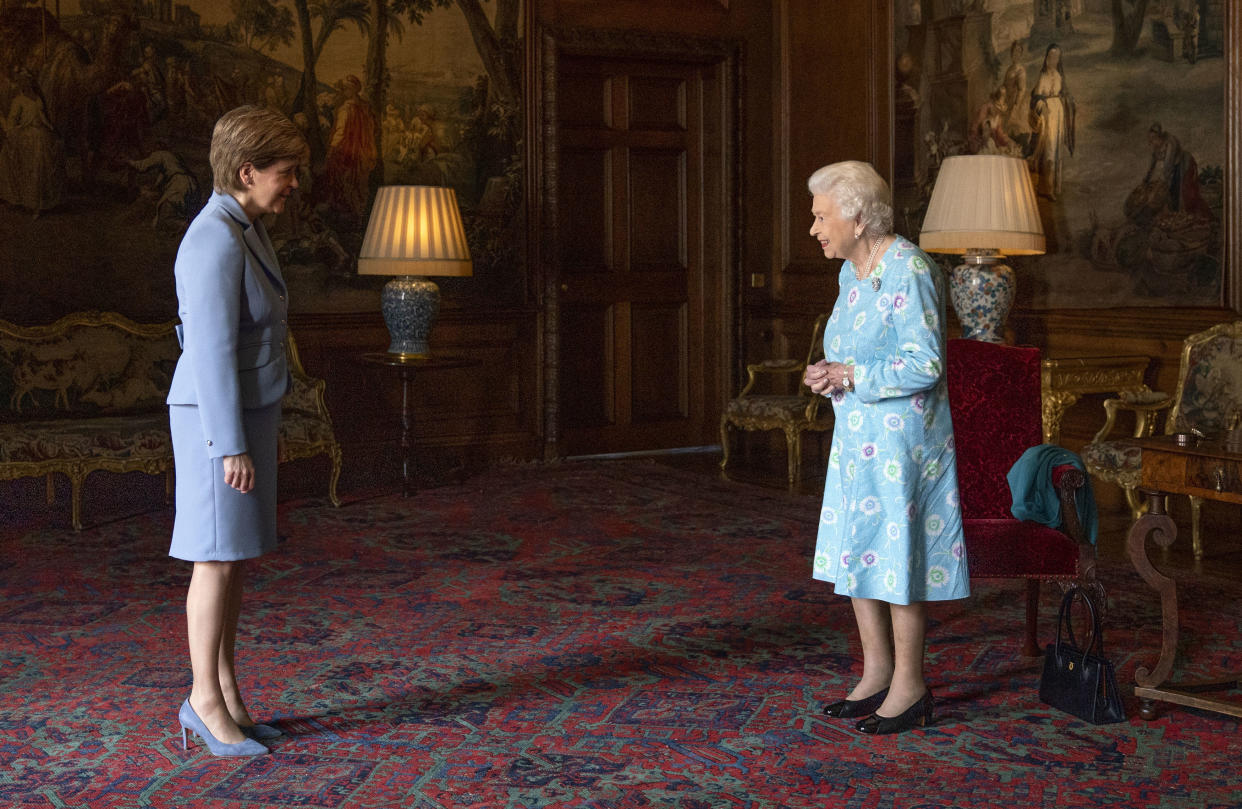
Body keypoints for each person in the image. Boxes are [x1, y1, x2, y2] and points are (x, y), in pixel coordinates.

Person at [802, 161, 969, 735]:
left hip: (904, 445)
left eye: (822, 216)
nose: (814, 228)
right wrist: (831, 375)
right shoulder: (852, 272)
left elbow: (925, 364)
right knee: (860, 551)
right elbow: (860, 352)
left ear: (856, 214)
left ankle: (911, 684)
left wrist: (850, 374)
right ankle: (876, 673)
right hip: (857, 440)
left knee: (897, 560)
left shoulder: (909, 268)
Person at [166, 105, 307, 757]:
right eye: (287, 171)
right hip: (215, 424)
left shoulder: (242, 224)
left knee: (234, 556)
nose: (294, 183)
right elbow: (212, 351)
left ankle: (226, 692)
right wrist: (230, 445)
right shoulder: (215, 238)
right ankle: (202, 701)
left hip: (244, 414)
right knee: (214, 559)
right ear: (247, 172)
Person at [1028, 43, 1075, 200]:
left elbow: (1063, 94)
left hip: (1059, 114)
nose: (1053, 60)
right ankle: (1046, 188)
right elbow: (1035, 99)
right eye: (1051, 56)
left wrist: (1069, 102)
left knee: (1057, 151)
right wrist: (1043, 106)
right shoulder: (1043, 77)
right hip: (1048, 117)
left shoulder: (1059, 75)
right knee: (1048, 152)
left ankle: (1055, 186)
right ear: (1047, 58)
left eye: (1056, 57)